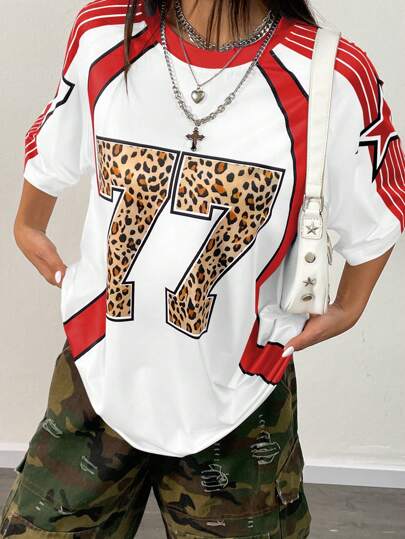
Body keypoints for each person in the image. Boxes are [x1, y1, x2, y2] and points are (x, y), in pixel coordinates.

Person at [2, 0, 404, 537]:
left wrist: (350, 306)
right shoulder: (105, 31)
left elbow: (379, 209)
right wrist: (28, 223)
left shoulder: (332, 72)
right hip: (98, 371)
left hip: (239, 392)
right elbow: (53, 147)